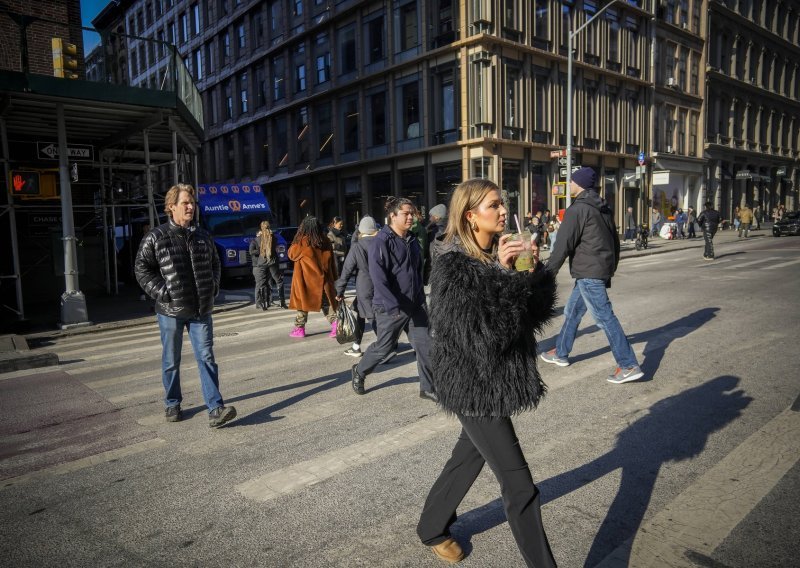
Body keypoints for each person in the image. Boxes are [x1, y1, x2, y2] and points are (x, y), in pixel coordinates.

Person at [417, 178, 558, 567]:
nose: (501, 210)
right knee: (520, 486)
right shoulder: (452, 267)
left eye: (502, 203)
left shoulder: (497, 252)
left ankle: (431, 527)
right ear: (470, 215)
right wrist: (503, 276)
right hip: (474, 384)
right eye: (493, 205)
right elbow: (483, 337)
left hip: (495, 379)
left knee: (469, 456)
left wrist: (533, 273)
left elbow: (534, 316)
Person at [134, 183, 237, 427]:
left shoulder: (202, 235)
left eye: (192, 203)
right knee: (171, 360)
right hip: (170, 311)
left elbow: (215, 263)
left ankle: (215, 409)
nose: (191, 206)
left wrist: (212, 287)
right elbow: (141, 268)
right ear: (171, 207)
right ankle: (172, 403)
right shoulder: (156, 237)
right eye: (185, 203)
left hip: (201, 309)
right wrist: (163, 292)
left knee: (207, 358)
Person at [541, 167, 644, 384]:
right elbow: (614, 241)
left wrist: (547, 274)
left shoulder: (578, 209)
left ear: (579, 184)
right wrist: (611, 267)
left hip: (589, 271)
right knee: (572, 312)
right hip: (596, 269)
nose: (568, 184)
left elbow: (562, 245)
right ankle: (560, 352)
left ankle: (628, 365)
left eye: (571, 181)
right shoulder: (602, 207)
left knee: (604, 317)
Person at [350, 197, 436, 401]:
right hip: (392, 306)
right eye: (406, 213)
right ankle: (359, 371)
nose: (411, 217)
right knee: (385, 348)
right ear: (392, 216)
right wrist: (392, 305)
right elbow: (378, 278)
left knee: (425, 345)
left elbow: (417, 268)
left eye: (412, 213)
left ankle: (428, 387)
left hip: (415, 303)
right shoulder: (381, 241)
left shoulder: (412, 239)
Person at [335, 216, 379, 358]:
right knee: (360, 314)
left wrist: (340, 290)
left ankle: (386, 347)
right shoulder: (381, 243)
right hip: (380, 284)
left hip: (364, 286)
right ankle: (356, 346)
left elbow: (346, 270)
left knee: (371, 317)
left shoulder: (358, 247)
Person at [288, 217, 339, 338]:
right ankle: (336, 325)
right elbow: (332, 262)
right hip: (323, 280)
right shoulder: (325, 240)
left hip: (306, 280)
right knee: (327, 304)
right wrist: (334, 278)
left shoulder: (302, 241)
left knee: (302, 304)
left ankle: (299, 329)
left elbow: (291, 254)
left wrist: (297, 238)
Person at [249, 220, 287, 310]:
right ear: (269, 227)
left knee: (262, 283)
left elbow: (252, 251)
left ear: (261, 228)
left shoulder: (257, 239)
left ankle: (263, 305)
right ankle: (282, 302)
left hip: (261, 262)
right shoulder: (273, 237)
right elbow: (274, 246)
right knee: (279, 281)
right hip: (272, 261)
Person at [424, 204, 448, 285]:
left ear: (437, 217)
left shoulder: (437, 232)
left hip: (438, 272)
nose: (430, 218)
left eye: (431, 216)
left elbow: (432, 254)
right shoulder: (448, 228)